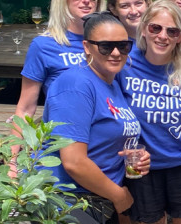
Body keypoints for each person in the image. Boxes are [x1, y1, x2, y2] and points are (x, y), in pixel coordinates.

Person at [118, 0, 181, 224]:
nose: (163, 36)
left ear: (180, 37)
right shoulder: (124, 65)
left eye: (172, 31)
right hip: (142, 168)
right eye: (156, 28)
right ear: (143, 29)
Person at [43, 13, 149, 223]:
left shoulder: (112, 84)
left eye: (123, 46)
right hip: (68, 200)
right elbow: (74, 161)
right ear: (87, 46)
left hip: (98, 198)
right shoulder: (76, 84)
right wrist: (118, 195)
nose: (116, 52)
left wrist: (136, 156)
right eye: (106, 46)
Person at [12, 0, 106, 170]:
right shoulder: (44, 45)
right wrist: (12, 162)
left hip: (105, 148)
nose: (86, 0)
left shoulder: (109, 42)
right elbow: (26, 107)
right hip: (63, 148)